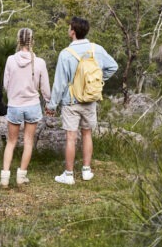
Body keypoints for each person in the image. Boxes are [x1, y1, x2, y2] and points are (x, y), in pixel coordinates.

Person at [46, 16, 118, 185]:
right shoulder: (97, 49)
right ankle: (86, 171)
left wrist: (52, 105)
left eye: (69, 27)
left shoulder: (65, 54)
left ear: (73, 32)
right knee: (87, 134)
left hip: (71, 101)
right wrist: (96, 82)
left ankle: (69, 174)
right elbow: (113, 66)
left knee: (71, 137)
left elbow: (59, 84)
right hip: (90, 100)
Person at [0, 27, 51, 188]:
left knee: (11, 142)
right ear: (32, 41)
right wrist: (49, 103)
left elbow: (5, 84)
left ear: (18, 41)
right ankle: (21, 177)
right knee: (28, 141)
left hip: (14, 105)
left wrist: (13, 95)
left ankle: (5, 178)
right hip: (32, 105)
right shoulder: (40, 62)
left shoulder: (10, 60)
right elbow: (45, 88)